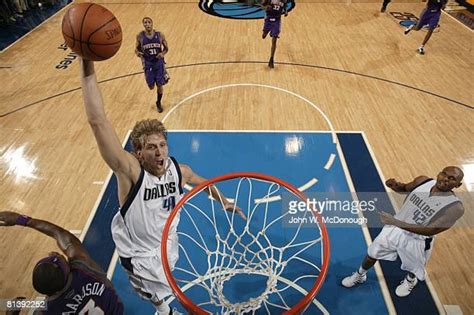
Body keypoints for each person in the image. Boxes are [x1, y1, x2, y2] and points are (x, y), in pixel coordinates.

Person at [79, 58, 246, 315]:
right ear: (138, 152)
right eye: (151, 147)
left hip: (169, 242)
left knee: (166, 287)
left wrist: (223, 200)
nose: (159, 153)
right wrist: (86, 62)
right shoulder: (131, 173)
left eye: (162, 145)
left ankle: (162, 305)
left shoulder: (178, 171)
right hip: (140, 255)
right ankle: (163, 310)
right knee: (158, 298)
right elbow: (97, 121)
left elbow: (203, 184)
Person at [341, 166, 464, 297]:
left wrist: (396, 222)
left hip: (418, 239)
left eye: (452, 179)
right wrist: (394, 185)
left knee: (414, 267)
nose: (446, 179)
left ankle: (410, 281)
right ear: (439, 173)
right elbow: (404, 188)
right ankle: (360, 274)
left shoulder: (455, 207)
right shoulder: (422, 181)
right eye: (444, 174)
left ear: (458, 185)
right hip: (395, 229)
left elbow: (430, 230)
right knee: (372, 253)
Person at [0, 211, 124, 314]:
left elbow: (47, 303)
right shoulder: (83, 267)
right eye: (59, 259)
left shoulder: (45, 310)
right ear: (66, 271)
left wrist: (10, 310)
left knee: (7, 303)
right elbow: (59, 233)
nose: (58, 255)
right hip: (116, 311)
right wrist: (21, 219)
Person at [135, 17, 169, 113]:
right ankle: (152, 83)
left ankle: (158, 102)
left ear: (152, 23)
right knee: (151, 87)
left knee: (159, 85)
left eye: (149, 22)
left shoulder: (160, 35)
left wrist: (162, 54)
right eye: (145, 22)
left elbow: (166, 48)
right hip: (148, 63)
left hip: (158, 63)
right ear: (143, 25)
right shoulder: (140, 36)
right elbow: (136, 50)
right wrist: (138, 54)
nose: (147, 24)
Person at [260, 0, 288, 68]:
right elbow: (262, 6)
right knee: (263, 36)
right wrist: (266, 8)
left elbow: (285, 6)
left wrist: (286, 11)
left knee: (274, 40)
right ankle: (268, 32)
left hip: (277, 21)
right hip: (268, 19)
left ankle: (271, 59)